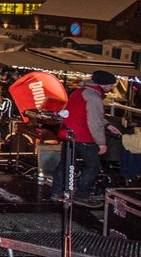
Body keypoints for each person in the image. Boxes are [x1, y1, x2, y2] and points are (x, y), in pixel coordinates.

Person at [49, 70, 121, 207]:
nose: (112, 88)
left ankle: (56, 192)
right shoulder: (94, 97)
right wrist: (101, 143)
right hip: (82, 136)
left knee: (65, 164)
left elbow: (85, 114)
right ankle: (82, 195)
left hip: (69, 133)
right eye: (111, 85)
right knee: (93, 166)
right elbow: (94, 121)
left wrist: (108, 125)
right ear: (103, 84)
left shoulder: (79, 91)